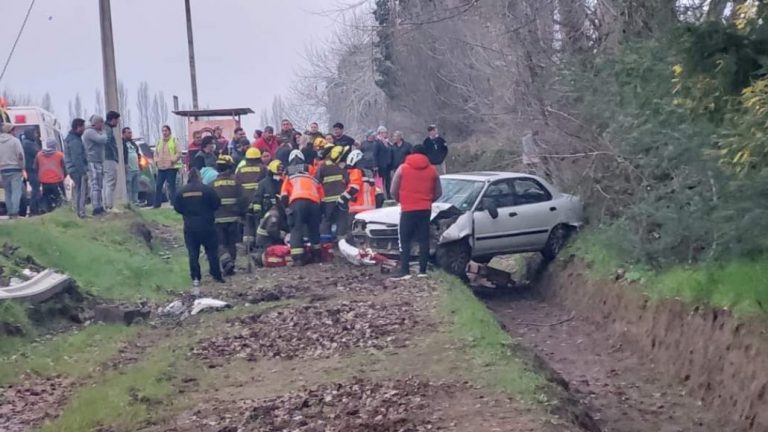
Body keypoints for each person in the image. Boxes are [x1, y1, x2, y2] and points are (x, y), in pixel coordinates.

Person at [390, 144, 442, 280]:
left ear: (411, 154)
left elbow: (392, 190)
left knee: (405, 240)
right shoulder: (432, 170)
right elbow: (439, 192)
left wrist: (401, 200)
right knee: (423, 239)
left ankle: (405, 271)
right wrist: (428, 201)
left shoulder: (402, 168)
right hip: (425, 209)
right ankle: (422, 271)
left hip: (407, 208)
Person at [173, 168, 224, 292]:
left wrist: (188, 213)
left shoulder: (181, 191)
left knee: (193, 252)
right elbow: (217, 203)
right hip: (207, 224)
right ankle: (216, 274)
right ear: (199, 177)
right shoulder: (207, 190)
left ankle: (195, 276)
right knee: (212, 251)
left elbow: (177, 207)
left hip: (190, 226)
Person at [281, 150, 324, 266]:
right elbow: (321, 193)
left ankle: (298, 258)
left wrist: (287, 209)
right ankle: (317, 255)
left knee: (296, 228)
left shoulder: (289, 176)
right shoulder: (311, 177)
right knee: (314, 229)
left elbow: (284, 195)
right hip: (314, 203)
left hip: (297, 201)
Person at [212, 155, 247, 275]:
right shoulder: (236, 183)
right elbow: (243, 200)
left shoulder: (212, 184)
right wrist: (243, 213)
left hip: (218, 219)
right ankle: (230, 263)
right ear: (229, 168)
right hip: (234, 219)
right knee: (231, 243)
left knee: (220, 243)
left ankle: (226, 262)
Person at [338, 149, 377, 230]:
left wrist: (342, 199)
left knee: (352, 233)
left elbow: (354, 188)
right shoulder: (369, 173)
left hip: (357, 208)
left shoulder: (356, 172)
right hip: (370, 209)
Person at [237, 147, 266, 248]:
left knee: (248, 222)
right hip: (258, 200)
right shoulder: (262, 168)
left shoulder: (240, 170)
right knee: (259, 221)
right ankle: (259, 244)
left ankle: (248, 245)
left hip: (245, 201)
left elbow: (237, 185)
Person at [315, 146, 346, 237]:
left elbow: (316, 181)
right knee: (341, 220)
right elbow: (347, 181)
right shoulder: (342, 168)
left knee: (326, 220)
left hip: (327, 199)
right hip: (341, 199)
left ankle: (325, 242)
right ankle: (340, 240)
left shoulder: (323, 166)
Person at [83, 115, 108, 216]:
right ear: (96, 123)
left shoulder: (95, 131)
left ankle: (100, 205)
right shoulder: (90, 132)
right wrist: (104, 132)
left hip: (98, 161)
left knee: (99, 185)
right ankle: (96, 207)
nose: (102, 125)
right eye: (101, 123)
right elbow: (103, 140)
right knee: (95, 185)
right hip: (92, 161)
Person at [153, 125, 182, 208]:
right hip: (161, 167)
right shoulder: (159, 141)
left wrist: (173, 160)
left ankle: (174, 204)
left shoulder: (174, 140)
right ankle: (156, 205)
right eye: (163, 131)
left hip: (171, 167)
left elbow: (179, 153)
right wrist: (156, 161)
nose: (164, 132)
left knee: (171, 185)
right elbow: (155, 153)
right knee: (158, 185)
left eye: (166, 131)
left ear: (169, 131)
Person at [64, 118, 88, 218]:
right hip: (77, 169)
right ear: (78, 127)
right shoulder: (74, 140)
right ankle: (81, 213)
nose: (84, 129)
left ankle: (78, 212)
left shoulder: (71, 138)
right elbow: (77, 158)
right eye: (83, 127)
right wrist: (83, 171)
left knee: (78, 190)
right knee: (81, 191)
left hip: (72, 168)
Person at [35, 137, 67, 212]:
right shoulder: (60, 155)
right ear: (55, 145)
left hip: (44, 181)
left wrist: (39, 177)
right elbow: (65, 167)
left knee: (46, 198)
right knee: (60, 199)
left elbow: (36, 167)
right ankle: (60, 212)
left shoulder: (39, 155)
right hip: (57, 181)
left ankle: (45, 211)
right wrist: (63, 176)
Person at [0, 123, 24, 219]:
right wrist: (22, 167)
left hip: (3, 170)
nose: (15, 132)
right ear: (10, 131)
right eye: (14, 130)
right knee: (16, 191)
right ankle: (14, 212)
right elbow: (20, 155)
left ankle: (9, 211)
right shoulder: (15, 141)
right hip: (15, 169)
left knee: (7, 191)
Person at [103, 110, 121, 211]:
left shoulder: (104, 128)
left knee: (105, 182)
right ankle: (109, 206)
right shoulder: (108, 130)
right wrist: (114, 154)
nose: (117, 123)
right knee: (110, 182)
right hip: (109, 158)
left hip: (104, 159)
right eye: (117, 120)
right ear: (113, 119)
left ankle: (106, 205)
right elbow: (107, 142)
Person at [21, 127, 41, 215]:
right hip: (31, 169)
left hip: (30, 169)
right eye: (35, 133)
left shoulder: (27, 142)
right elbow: (38, 153)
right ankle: (33, 210)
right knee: (35, 189)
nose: (36, 135)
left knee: (35, 189)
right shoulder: (28, 144)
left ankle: (34, 209)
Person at [122, 127, 141, 205]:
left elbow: (137, 153)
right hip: (128, 169)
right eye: (128, 133)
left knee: (135, 187)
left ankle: (135, 201)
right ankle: (129, 203)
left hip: (136, 168)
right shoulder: (122, 143)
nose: (130, 134)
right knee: (128, 187)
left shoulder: (133, 144)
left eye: (131, 132)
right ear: (123, 134)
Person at [375, 126, 394, 198]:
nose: (384, 134)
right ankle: (381, 196)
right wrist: (375, 165)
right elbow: (375, 154)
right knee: (381, 181)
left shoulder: (388, 142)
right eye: (382, 132)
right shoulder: (377, 142)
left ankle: (389, 195)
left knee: (388, 181)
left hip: (388, 164)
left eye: (385, 132)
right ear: (379, 133)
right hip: (380, 165)